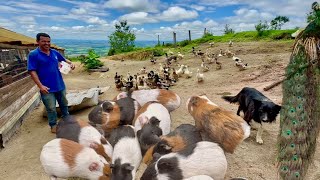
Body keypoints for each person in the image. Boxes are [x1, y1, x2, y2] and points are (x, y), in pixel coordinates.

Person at [27, 33, 75, 133]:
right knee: (51, 108)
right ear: (38, 42)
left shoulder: (54, 52)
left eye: (48, 41)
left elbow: (64, 59)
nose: (47, 43)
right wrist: (40, 86)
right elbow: (32, 71)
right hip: (46, 88)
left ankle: (67, 120)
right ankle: (53, 125)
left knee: (64, 104)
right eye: (43, 41)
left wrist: (71, 63)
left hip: (60, 85)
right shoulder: (33, 54)